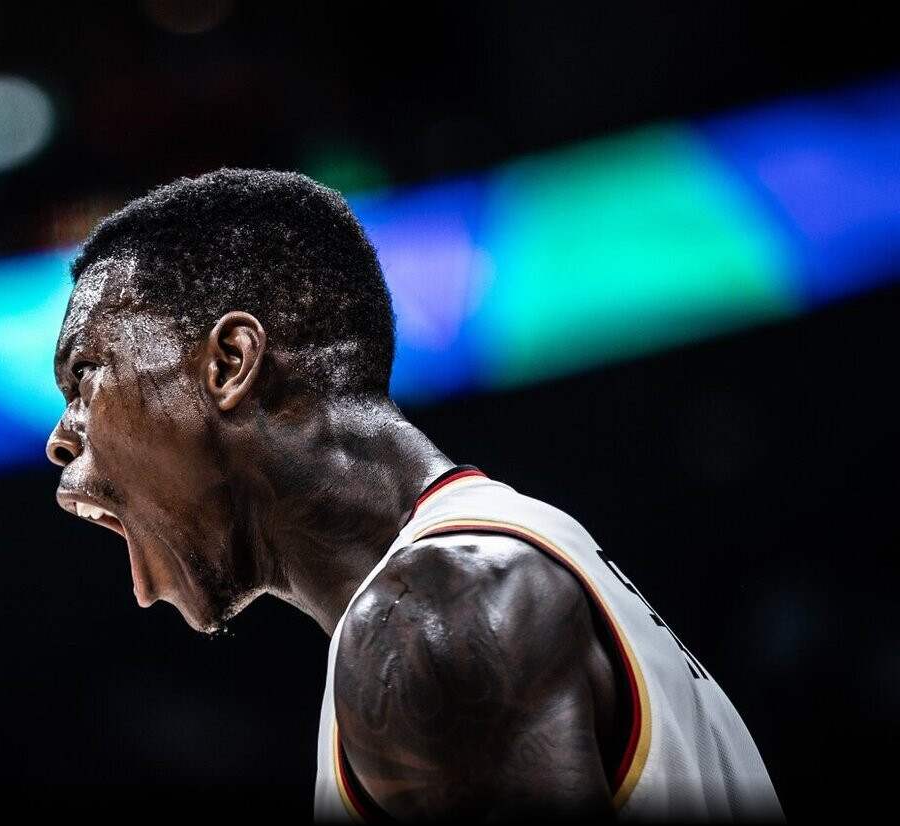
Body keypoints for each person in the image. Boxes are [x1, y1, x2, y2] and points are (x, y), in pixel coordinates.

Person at [44, 167, 785, 822]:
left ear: (231, 363)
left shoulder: (430, 617)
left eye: (84, 377)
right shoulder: (482, 573)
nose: (60, 438)